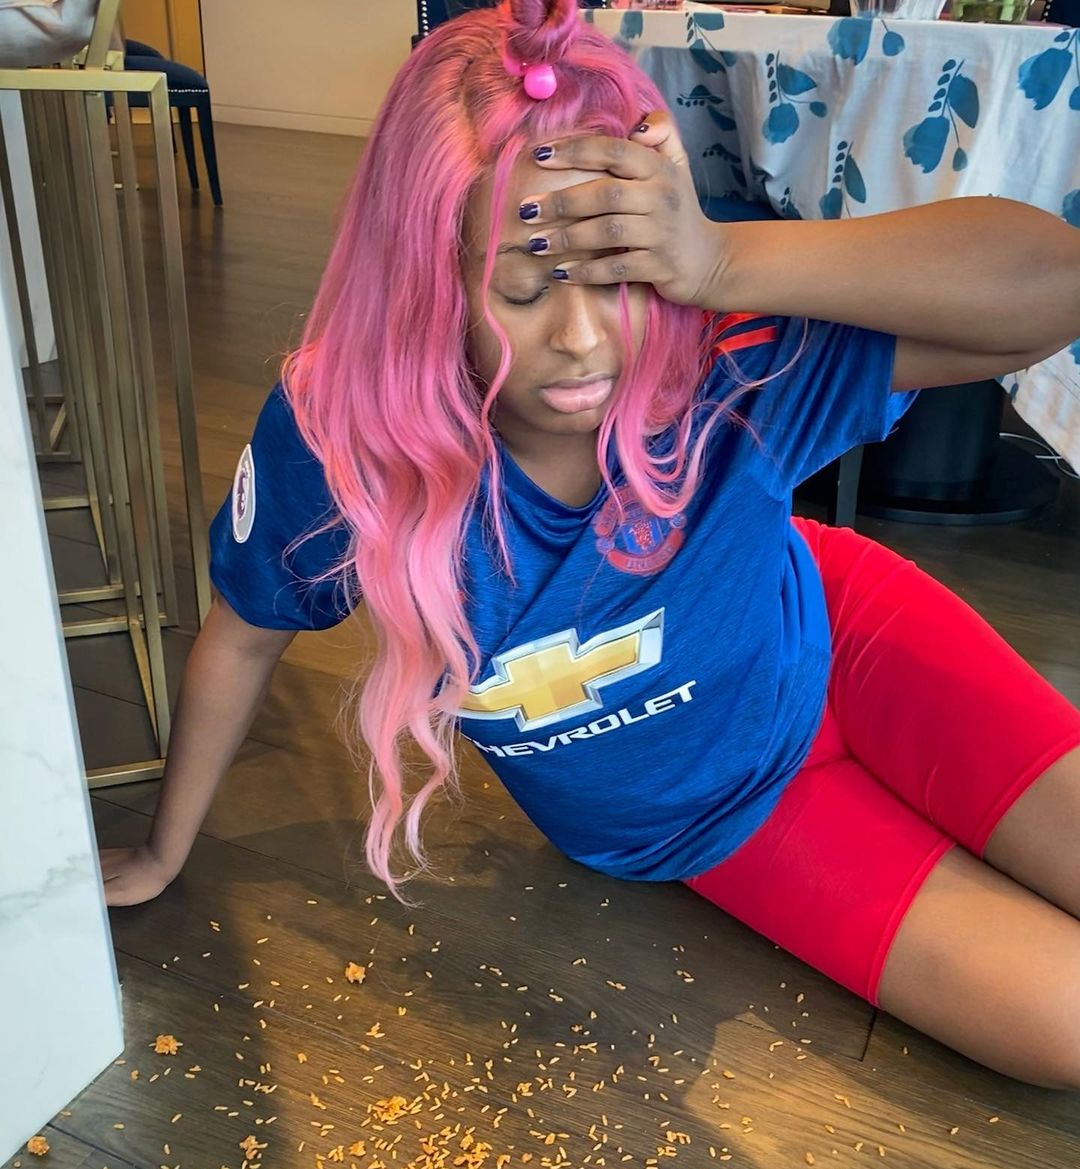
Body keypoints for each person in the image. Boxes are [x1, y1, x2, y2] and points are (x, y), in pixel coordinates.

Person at [100, 0, 1080, 1090]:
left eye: (618, 280)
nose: (579, 340)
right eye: (520, 293)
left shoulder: (727, 352)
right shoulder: (341, 437)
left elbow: (1055, 285)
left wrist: (722, 262)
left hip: (853, 642)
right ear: (427, 287)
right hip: (718, 815)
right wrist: (163, 848)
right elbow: (244, 635)